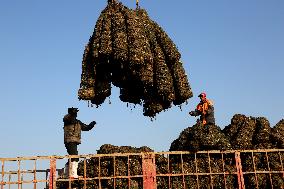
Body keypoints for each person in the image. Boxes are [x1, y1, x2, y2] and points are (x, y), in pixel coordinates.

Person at [63, 107, 96, 178]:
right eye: (75, 112)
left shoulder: (78, 122)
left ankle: (66, 174)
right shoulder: (67, 119)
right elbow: (68, 118)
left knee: (72, 156)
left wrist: (91, 125)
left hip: (74, 141)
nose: (76, 114)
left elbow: (86, 128)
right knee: (75, 157)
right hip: (69, 140)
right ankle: (73, 174)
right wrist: (71, 113)